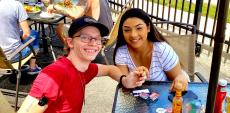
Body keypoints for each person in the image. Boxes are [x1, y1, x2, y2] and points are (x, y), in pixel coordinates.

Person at [17, 16, 148, 113]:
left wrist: (125, 80)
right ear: (70, 42)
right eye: (85, 37)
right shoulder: (55, 74)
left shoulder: (85, 69)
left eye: (97, 39)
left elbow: (110, 69)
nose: (93, 43)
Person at [113, 8, 189, 91]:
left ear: (148, 27)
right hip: (137, 101)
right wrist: (132, 79)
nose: (133, 35)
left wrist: (181, 79)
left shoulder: (162, 50)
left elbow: (178, 79)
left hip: (165, 97)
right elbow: (125, 88)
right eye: (127, 30)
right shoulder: (121, 53)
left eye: (139, 28)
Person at [0, 0, 41, 75]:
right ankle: (32, 67)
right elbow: (27, 34)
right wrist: (21, 39)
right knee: (34, 34)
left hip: (1, 58)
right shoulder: (16, 5)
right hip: (13, 56)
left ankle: (23, 65)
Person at [46, 0, 113, 31]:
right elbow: (76, 7)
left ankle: (71, 55)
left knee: (60, 28)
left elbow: (76, 15)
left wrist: (55, 6)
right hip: (108, 31)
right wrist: (61, 8)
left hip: (99, 35)